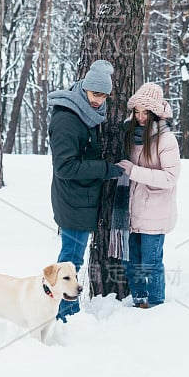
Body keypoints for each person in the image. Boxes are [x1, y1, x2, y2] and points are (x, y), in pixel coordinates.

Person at [48, 59, 124, 323]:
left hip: (81, 199)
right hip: (73, 201)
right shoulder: (68, 119)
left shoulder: (84, 114)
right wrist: (105, 169)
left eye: (103, 96)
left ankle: (63, 311)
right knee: (70, 262)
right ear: (84, 89)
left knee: (71, 260)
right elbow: (65, 167)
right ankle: (62, 313)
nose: (98, 100)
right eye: (95, 94)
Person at [117, 82, 181, 308]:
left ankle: (156, 304)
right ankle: (139, 301)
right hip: (133, 211)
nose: (141, 117)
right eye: (137, 111)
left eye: (146, 112)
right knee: (132, 261)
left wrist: (134, 171)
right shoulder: (129, 134)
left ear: (156, 113)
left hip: (155, 212)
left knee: (151, 262)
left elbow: (170, 178)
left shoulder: (165, 139)